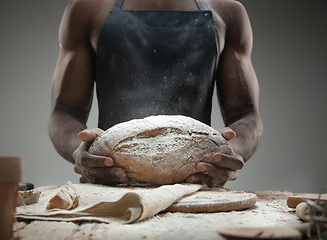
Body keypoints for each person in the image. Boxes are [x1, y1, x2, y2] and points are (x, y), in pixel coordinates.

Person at [48, 0, 263, 188]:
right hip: (109, 186)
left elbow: (246, 115)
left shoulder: (228, 13)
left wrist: (226, 155)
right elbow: (64, 112)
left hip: (195, 188)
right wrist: (81, 149)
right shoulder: (87, 10)